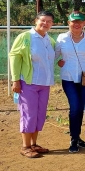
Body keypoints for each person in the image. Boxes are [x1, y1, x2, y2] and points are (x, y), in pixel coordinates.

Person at [9, 11, 55, 158]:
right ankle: (25, 146)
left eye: (49, 21)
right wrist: (15, 80)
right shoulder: (26, 37)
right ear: (36, 21)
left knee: (40, 114)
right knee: (28, 114)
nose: (45, 23)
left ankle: (34, 144)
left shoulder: (50, 40)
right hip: (28, 83)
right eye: (42, 20)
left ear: (52, 24)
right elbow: (14, 57)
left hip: (45, 84)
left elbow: (53, 57)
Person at [55, 11, 85, 153]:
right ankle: (73, 139)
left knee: (80, 108)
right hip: (68, 79)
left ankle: (77, 137)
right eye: (74, 22)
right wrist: (58, 62)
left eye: (80, 21)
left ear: (84, 23)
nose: (77, 24)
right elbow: (53, 56)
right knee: (75, 108)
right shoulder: (62, 38)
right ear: (69, 23)